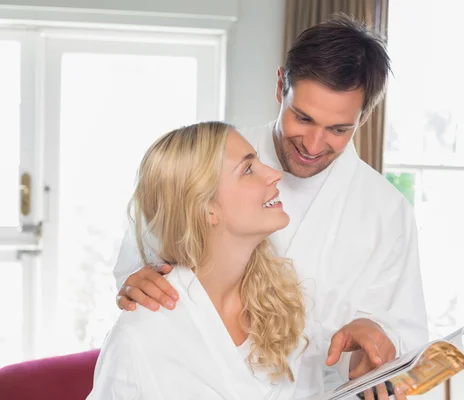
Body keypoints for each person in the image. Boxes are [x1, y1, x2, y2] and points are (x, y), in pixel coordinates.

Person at [113, 15, 428, 400]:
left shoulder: (386, 212)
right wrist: (137, 280)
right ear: (281, 86)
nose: (312, 145)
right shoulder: (213, 161)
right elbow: (142, 266)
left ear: (364, 117)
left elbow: (404, 338)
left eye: (338, 129)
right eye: (303, 117)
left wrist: (379, 341)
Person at [88, 122, 308, 400]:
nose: (275, 175)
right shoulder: (140, 338)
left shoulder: (279, 303)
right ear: (207, 209)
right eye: (248, 169)